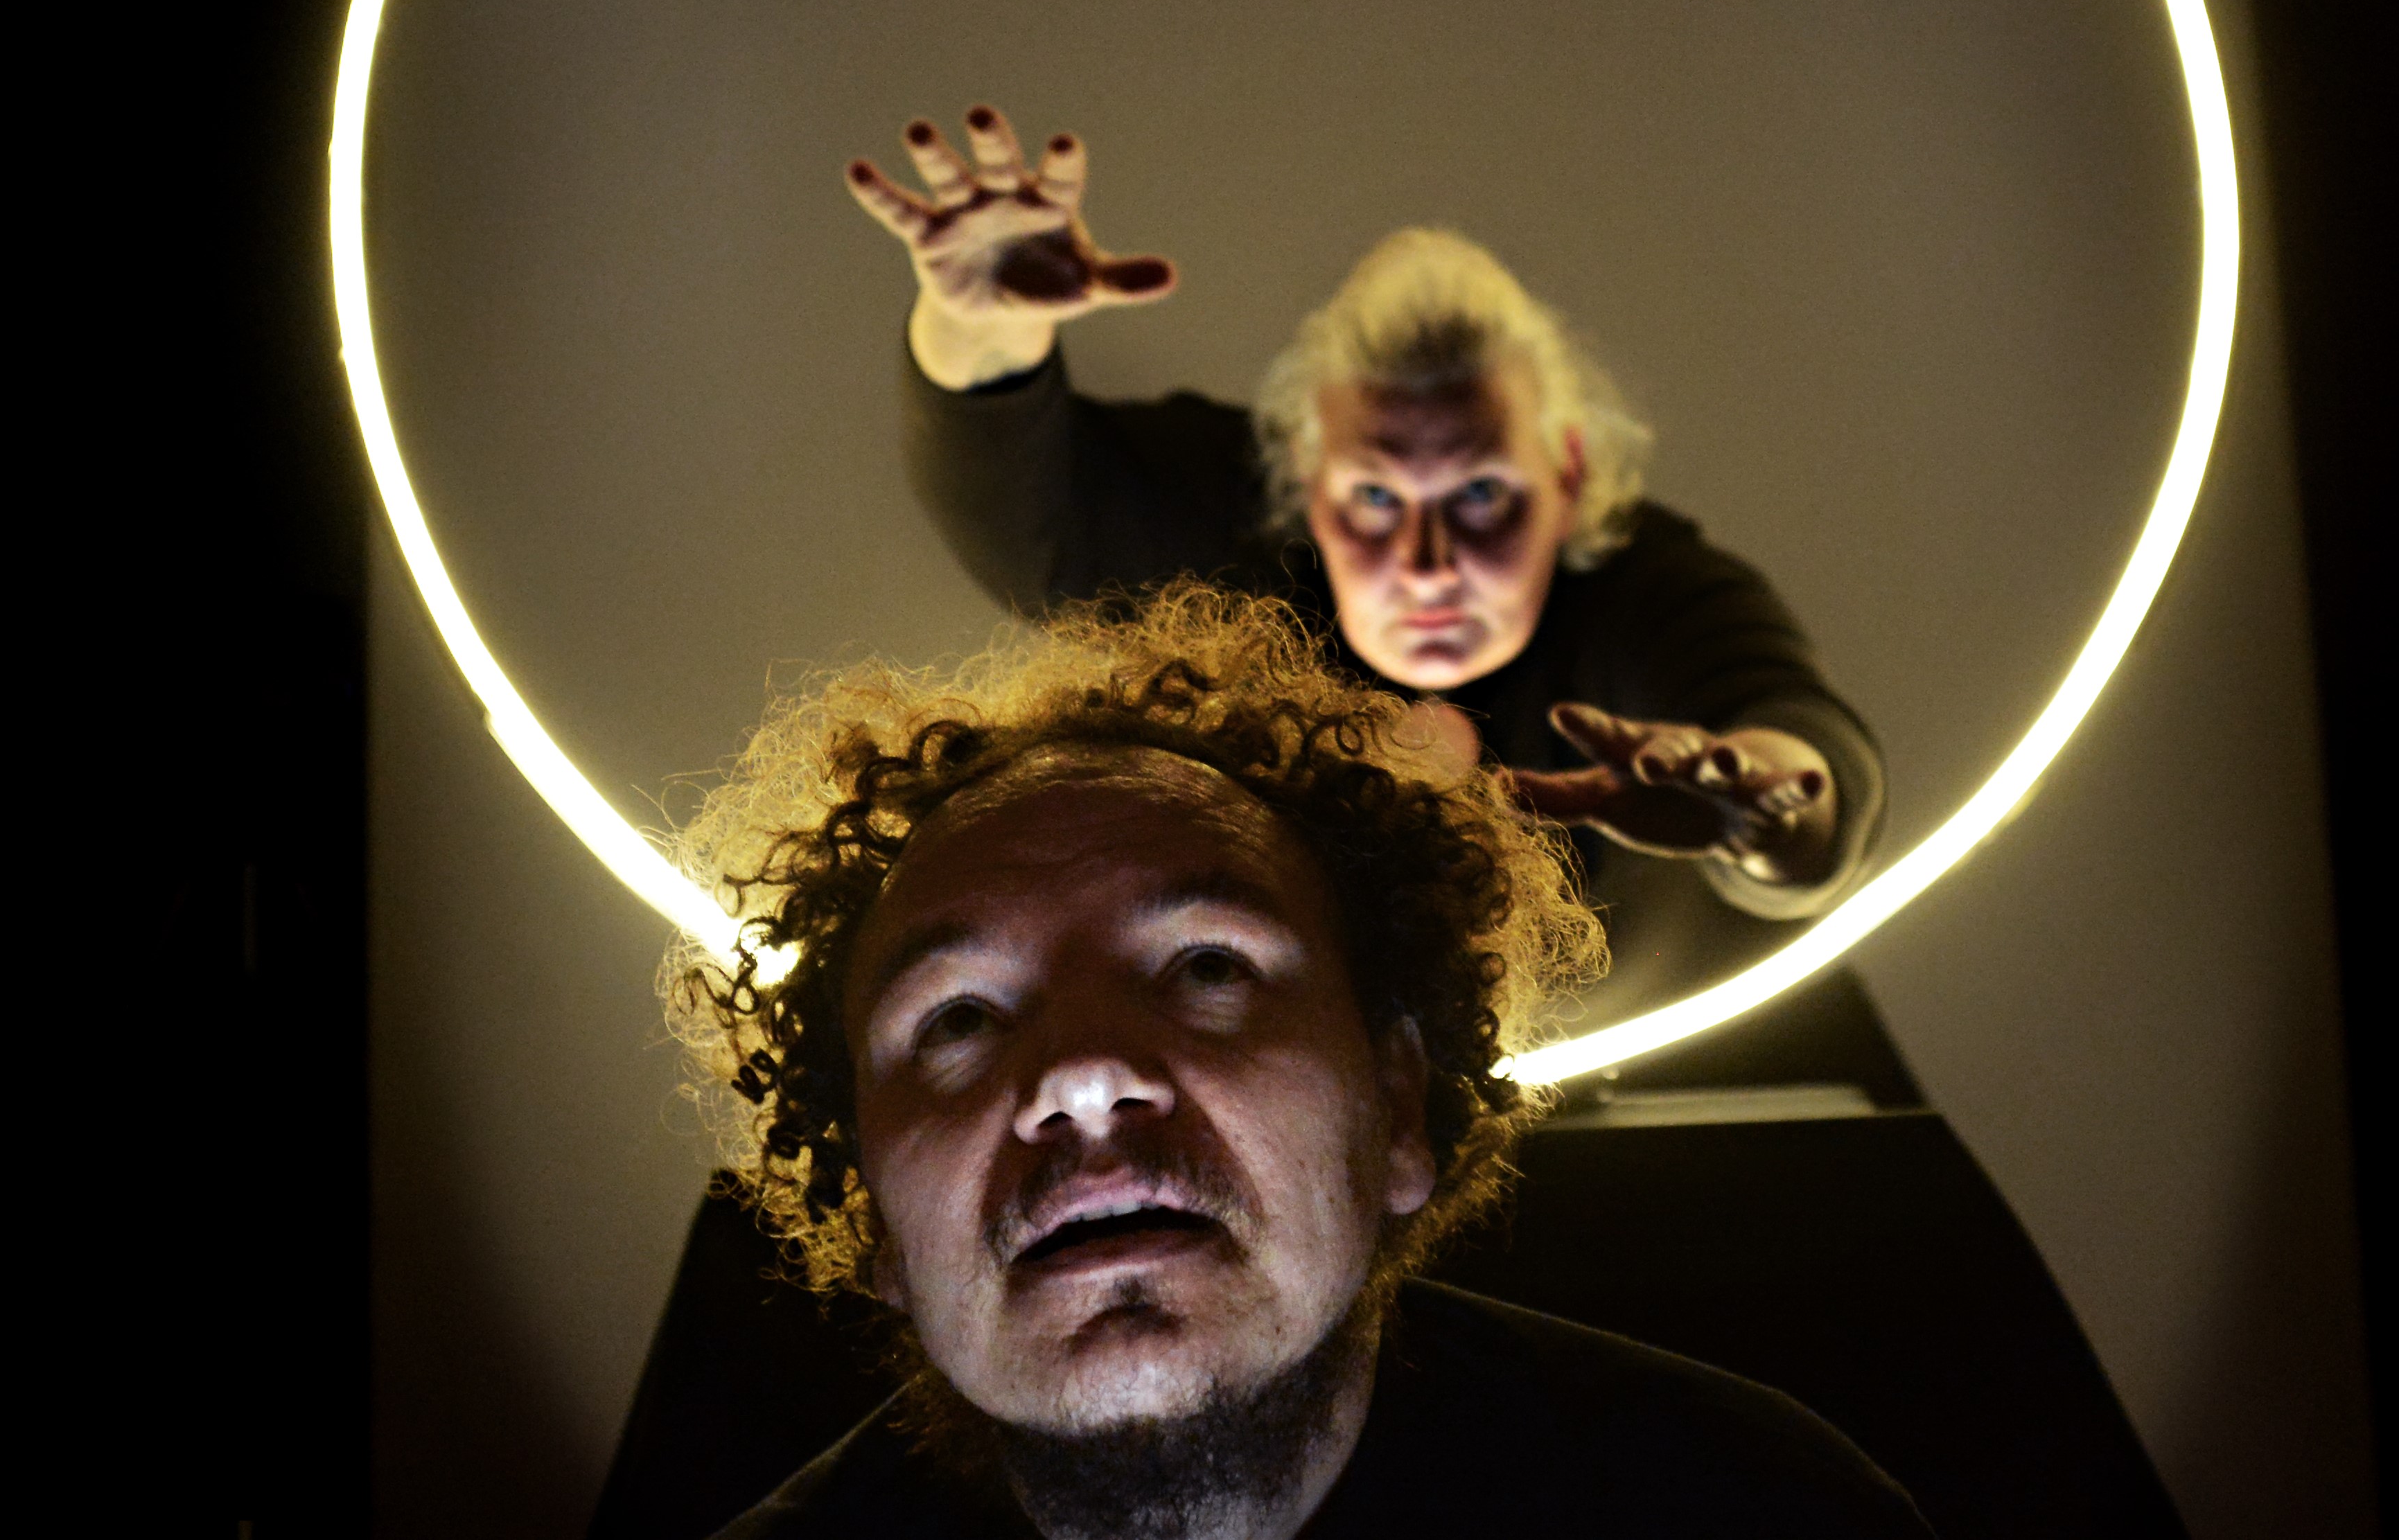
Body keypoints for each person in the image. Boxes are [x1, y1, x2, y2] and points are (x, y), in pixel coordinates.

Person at [671, 585, 1937, 1539]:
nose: (1085, 1074)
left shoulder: (1767, 1513)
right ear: (880, 1221)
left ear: (1398, 1105)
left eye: (1206, 968)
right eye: (956, 1020)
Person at [848, 105, 1906, 1093]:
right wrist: (979, 327)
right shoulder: (1233, 544)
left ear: (1569, 474)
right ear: (1307, 481)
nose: (1427, 560)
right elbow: (1019, 496)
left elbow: (1795, 739)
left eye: (1481, 495)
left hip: (1696, 1094)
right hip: (1317, 1112)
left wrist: (1766, 809)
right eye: (1373, 498)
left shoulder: (1647, 587)